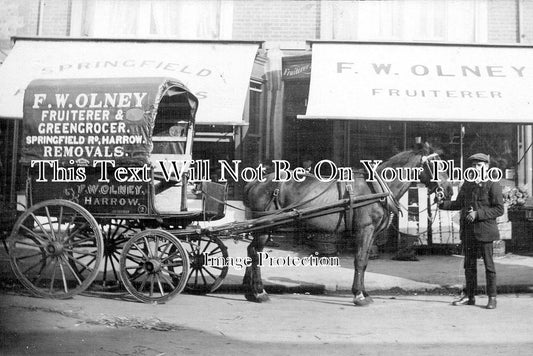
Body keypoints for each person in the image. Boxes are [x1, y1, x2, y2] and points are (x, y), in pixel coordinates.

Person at [438, 153, 504, 309]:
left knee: (489, 266)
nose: (476, 168)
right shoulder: (468, 184)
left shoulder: (493, 184)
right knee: (469, 266)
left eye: (479, 165)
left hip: (485, 231)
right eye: (473, 165)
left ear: (486, 167)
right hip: (469, 232)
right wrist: (441, 203)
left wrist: (478, 214)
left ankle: (492, 297)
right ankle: (470, 296)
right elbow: (458, 203)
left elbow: (499, 209)